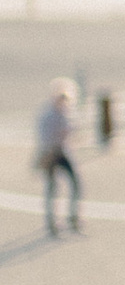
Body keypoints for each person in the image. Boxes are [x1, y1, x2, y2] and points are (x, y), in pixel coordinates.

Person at [35, 80, 79, 236]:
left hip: (62, 151)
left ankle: (73, 217)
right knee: (52, 188)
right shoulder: (48, 116)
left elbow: (69, 132)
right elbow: (45, 137)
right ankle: (51, 222)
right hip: (50, 153)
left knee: (75, 184)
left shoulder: (64, 113)